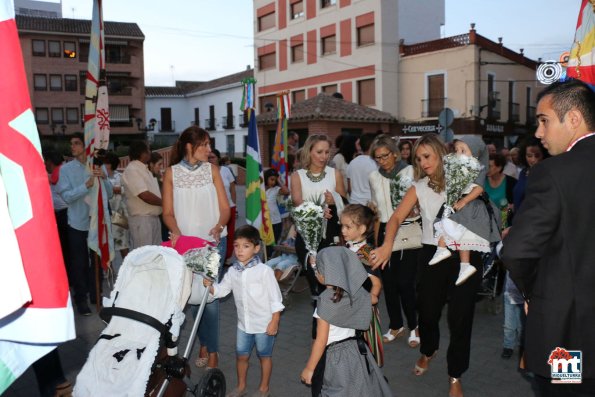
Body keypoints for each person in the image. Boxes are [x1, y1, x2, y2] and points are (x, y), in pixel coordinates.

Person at [502, 79, 595, 395]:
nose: (539, 133)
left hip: (568, 339)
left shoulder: (552, 172)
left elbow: (516, 251)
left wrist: (532, 294)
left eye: (544, 121)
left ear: (573, 119)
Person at [371, 133, 482, 397]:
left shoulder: (463, 176)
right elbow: (396, 218)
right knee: (428, 312)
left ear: (441, 154)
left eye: (427, 156)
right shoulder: (419, 186)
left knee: (460, 318)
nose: (423, 162)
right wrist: (387, 245)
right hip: (433, 253)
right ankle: (428, 350)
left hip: (467, 253)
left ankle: (455, 374)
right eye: (419, 158)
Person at [162, 126, 230, 370]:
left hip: (213, 243)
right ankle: (204, 342)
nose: (209, 150)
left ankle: (212, 352)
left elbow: (225, 208)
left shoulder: (213, 170)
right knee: (190, 297)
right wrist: (176, 231)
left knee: (209, 299)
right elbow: (167, 212)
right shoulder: (171, 173)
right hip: (185, 246)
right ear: (190, 146)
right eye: (205, 145)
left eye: (210, 144)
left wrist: (220, 225)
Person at [300, 246, 392, 397]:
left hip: (334, 357)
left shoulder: (325, 302)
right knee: (357, 388)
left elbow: (321, 341)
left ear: (324, 275)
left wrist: (309, 368)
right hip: (356, 350)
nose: (316, 272)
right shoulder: (355, 293)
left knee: (336, 390)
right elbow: (374, 299)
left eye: (317, 269)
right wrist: (371, 290)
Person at [203, 225, 284, 397]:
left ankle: (264, 389)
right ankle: (241, 387)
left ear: (256, 248)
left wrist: (274, 321)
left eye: (245, 246)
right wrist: (210, 287)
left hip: (264, 325)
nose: (240, 250)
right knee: (241, 356)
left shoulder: (264, 272)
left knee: (264, 356)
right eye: (236, 245)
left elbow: (276, 299)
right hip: (243, 325)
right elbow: (222, 290)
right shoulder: (233, 271)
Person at [368, 134, 420, 347]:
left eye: (384, 156)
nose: (381, 161)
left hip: (408, 231)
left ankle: (415, 326)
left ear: (396, 154)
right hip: (384, 233)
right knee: (388, 283)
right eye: (377, 158)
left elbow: (421, 203)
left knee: (406, 282)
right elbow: (378, 208)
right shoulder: (373, 177)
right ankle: (396, 325)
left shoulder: (410, 172)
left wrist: (415, 209)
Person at [430, 136, 500, 286]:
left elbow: (479, 188)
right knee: (443, 224)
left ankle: (465, 265)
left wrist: (464, 200)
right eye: (456, 150)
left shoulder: (478, 168)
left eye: (463, 150)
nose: (458, 153)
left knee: (463, 237)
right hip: (456, 203)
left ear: (475, 154)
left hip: (469, 207)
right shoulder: (455, 167)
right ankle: (442, 249)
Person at [57, 133, 112, 316]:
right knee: (79, 263)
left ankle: (96, 295)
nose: (72, 146)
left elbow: (110, 194)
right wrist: (86, 185)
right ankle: (81, 300)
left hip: (96, 221)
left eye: (76, 143)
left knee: (96, 261)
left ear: (85, 146)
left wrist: (103, 178)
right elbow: (66, 196)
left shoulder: (97, 165)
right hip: (77, 223)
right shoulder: (66, 170)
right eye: (71, 143)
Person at [290, 134, 347, 298]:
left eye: (327, 152)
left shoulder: (334, 174)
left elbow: (346, 205)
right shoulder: (297, 176)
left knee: (330, 286)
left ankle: (328, 321)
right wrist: (319, 210)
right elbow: (297, 205)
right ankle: (319, 321)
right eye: (319, 152)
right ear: (309, 152)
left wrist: (335, 200)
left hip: (331, 237)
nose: (324, 157)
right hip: (307, 240)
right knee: (316, 287)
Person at [340, 204, 384, 367]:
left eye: (348, 227)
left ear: (362, 228)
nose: (343, 230)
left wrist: (371, 298)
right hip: (350, 304)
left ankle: (368, 374)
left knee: (365, 346)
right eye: (342, 226)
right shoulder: (350, 247)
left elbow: (376, 282)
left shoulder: (365, 252)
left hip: (362, 308)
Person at [122, 140, 162, 248]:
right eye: (148, 150)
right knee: (144, 257)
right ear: (142, 152)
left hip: (153, 219)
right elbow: (144, 195)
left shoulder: (144, 169)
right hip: (142, 220)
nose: (150, 152)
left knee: (155, 256)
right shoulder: (132, 170)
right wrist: (165, 203)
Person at [44, 151, 70, 280]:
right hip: (61, 213)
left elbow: (53, 180)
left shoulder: (59, 171)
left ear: (50, 161)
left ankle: (67, 275)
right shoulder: (61, 170)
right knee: (65, 247)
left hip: (64, 213)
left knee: (65, 247)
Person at [209, 149, 237, 261]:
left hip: (229, 207)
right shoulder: (204, 173)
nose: (211, 159)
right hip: (214, 209)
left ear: (218, 158)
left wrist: (234, 204)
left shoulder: (226, 170)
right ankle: (216, 257)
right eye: (209, 157)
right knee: (216, 232)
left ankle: (227, 257)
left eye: (213, 157)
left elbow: (233, 189)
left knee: (229, 233)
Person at [104, 152, 130, 260]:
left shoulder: (120, 176)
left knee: (123, 243)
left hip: (119, 214)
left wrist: (115, 189)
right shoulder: (100, 177)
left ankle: (128, 266)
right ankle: (110, 271)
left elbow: (127, 190)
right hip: (105, 214)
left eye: (106, 163)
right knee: (105, 244)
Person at [484, 153, 516, 228]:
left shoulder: (512, 183)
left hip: (504, 227)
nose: (486, 168)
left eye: (490, 166)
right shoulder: (481, 181)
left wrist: (510, 210)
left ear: (499, 167)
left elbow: (515, 205)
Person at [346, 133, 378, 205]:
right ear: (373, 145)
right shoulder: (375, 163)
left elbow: (349, 189)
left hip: (354, 203)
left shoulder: (352, 163)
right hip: (371, 205)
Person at [264, 168, 289, 247]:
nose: (273, 182)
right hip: (264, 221)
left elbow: (286, 191)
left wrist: (279, 180)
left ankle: (270, 258)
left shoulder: (276, 189)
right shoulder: (260, 189)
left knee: (273, 244)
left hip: (276, 221)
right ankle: (267, 258)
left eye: (274, 180)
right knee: (266, 245)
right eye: (271, 179)